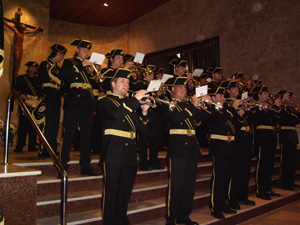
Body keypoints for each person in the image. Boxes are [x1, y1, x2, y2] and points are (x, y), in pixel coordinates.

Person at [97, 68, 150, 225]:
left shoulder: (129, 105)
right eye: (122, 81)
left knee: (125, 193)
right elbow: (115, 115)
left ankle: (122, 221)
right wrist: (134, 101)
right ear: (113, 84)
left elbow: (143, 128)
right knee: (111, 192)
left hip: (129, 153)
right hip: (113, 152)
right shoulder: (104, 101)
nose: (126, 84)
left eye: (128, 82)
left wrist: (145, 112)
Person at [162, 76, 211, 225]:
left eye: (185, 87)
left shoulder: (189, 105)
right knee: (176, 186)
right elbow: (176, 119)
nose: (184, 90)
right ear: (172, 89)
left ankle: (184, 216)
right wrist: (193, 106)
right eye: (180, 87)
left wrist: (206, 104)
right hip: (177, 148)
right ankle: (170, 217)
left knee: (189, 186)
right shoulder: (168, 104)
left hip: (191, 148)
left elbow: (204, 118)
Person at [206, 82, 244, 219]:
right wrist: (233, 110)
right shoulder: (210, 109)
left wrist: (240, 115)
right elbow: (220, 120)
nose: (223, 97)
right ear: (213, 98)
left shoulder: (227, 108)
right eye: (220, 95)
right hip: (219, 146)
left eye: (223, 94)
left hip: (230, 146)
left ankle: (223, 203)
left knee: (227, 177)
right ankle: (215, 206)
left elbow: (236, 125)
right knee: (219, 178)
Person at [59, 39, 98, 176]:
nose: (86, 52)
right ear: (77, 50)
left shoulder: (89, 66)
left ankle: (85, 166)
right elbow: (63, 75)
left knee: (86, 136)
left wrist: (94, 73)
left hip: (87, 102)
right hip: (74, 101)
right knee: (68, 134)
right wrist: (81, 65)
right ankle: (62, 165)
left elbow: (95, 84)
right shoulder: (70, 62)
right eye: (83, 49)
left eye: (88, 50)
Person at [225, 80, 256, 208]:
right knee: (235, 172)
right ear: (228, 91)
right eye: (234, 89)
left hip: (246, 141)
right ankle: (232, 199)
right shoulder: (227, 104)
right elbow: (230, 122)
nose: (237, 91)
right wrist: (237, 112)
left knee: (245, 171)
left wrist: (249, 107)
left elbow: (250, 120)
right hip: (235, 141)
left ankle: (243, 196)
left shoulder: (240, 102)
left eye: (237, 88)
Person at [251, 85, 281, 200]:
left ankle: (268, 188)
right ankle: (260, 190)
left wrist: (275, 108)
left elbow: (276, 118)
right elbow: (261, 117)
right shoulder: (255, 106)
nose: (267, 95)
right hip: (262, 137)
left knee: (269, 164)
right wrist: (273, 107)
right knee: (262, 164)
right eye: (264, 93)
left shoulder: (268, 107)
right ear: (259, 95)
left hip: (271, 137)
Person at [38, 44, 67, 157]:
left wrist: (59, 82)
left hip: (56, 98)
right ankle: (44, 149)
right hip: (48, 96)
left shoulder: (58, 68)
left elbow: (62, 82)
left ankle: (52, 148)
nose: (62, 58)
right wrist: (54, 80)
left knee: (55, 124)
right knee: (47, 124)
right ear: (58, 53)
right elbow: (42, 77)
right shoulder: (45, 64)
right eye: (62, 55)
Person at [14, 61, 41, 152]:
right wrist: (21, 94)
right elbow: (17, 89)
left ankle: (32, 145)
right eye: (31, 67)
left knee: (33, 126)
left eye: (34, 68)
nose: (32, 69)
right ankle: (20, 145)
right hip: (26, 103)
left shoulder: (38, 80)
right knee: (23, 126)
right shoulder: (22, 78)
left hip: (35, 104)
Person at [277, 90, 300, 190]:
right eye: (289, 97)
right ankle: (285, 182)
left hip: (292, 134)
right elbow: (285, 119)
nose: (291, 99)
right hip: (285, 134)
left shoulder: (291, 109)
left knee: (292, 160)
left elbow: (296, 120)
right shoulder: (281, 109)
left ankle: (291, 181)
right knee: (286, 160)